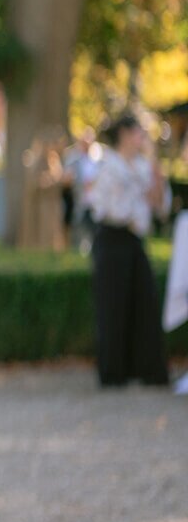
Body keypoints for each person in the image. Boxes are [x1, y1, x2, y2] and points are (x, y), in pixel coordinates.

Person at [85, 114, 171, 388]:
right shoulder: (108, 166)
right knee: (113, 305)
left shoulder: (145, 167)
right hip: (112, 240)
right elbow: (108, 208)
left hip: (134, 241)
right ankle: (113, 372)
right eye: (137, 132)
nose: (141, 137)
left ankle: (146, 369)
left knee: (144, 301)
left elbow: (160, 208)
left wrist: (156, 181)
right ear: (124, 133)